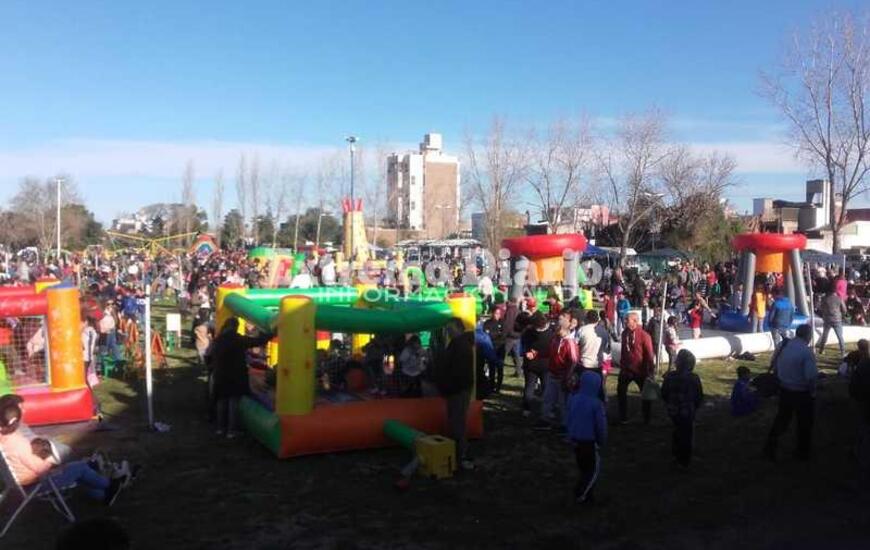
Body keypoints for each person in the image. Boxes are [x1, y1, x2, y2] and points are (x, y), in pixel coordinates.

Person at [0, 399, 128, 506]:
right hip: (35, 485)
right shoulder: (18, 443)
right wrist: (54, 465)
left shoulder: (4, 439)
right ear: (15, 421)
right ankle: (111, 485)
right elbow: (40, 469)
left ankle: (103, 495)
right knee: (79, 468)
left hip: (18, 483)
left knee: (76, 470)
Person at [208, 319, 274, 438]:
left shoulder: (219, 339)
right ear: (236, 327)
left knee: (222, 400)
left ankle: (220, 428)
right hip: (235, 375)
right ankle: (232, 430)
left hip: (220, 374)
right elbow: (256, 341)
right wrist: (270, 334)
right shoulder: (237, 339)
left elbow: (209, 355)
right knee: (233, 401)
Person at [764, 324, 818, 461]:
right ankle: (802, 452)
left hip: (784, 388)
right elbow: (810, 377)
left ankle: (770, 446)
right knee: (804, 423)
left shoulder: (784, 345)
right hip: (801, 392)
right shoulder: (806, 352)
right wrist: (813, 392)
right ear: (808, 336)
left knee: (782, 419)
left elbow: (774, 363)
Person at [432, 318, 475, 470]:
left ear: (458, 328)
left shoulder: (460, 346)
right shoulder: (457, 344)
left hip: (458, 389)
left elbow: (458, 372)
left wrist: (447, 387)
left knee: (458, 423)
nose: (448, 332)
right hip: (456, 389)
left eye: (450, 329)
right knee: (455, 422)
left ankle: (463, 455)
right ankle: (457, 454)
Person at [565, 370, 607, 504]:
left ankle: (588, 496)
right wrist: (602, 440)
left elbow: (568, 418)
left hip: (575, 440)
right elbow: (600, 425)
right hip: (589, 442)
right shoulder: (596, 404)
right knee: (593, 470)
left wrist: (569, 435)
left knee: (583, 468)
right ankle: (580, 493)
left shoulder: (573, 398)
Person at [536, 309, 579, 431]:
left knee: (563, 402)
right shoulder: (555, 340)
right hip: (552, 374)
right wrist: (537, 354)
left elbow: (574, 361)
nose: (557, 330)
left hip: (562, 377)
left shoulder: (570, 343)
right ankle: (545, 420)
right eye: (556, 328)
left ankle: (565, 425)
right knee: (547, 398)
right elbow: (550, 353)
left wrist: (567, 377)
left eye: (559, 328)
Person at [661, 349, 704, 467]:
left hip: (673, 410)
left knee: (676, 431)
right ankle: (684, 460)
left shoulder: (670, 376)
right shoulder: (693, 378)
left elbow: (664, 393)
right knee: (687, 435)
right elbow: (699, 395)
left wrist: (670, 404)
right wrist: (695, 407)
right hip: (687, 411)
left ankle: (676, 454)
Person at [617, 312, 656, 424]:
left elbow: (649, 354)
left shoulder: (644, 335)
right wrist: (622, 365)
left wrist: (651, 371)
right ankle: (623, 417)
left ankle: (646, 418)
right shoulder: (624, 333)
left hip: (640, 370)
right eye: (625, 319)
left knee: (645, 395)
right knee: (621, 392)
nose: (625, 321)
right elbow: (624, 351)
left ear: (635, 321)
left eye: (627, 320)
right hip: (626, 370)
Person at [818, 282, 848, 357]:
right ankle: (843, 352)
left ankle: (821, 350)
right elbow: (844, 309)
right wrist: (841, 315)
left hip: (827, 319)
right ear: (835, 290)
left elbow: (820, 308)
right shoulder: (839, 298)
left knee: (825, 335)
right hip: (837, 319)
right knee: (840, 336)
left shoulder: (824, 299)